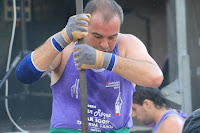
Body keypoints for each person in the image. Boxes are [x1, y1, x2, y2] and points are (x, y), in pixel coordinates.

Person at [15, 0, 163, 132]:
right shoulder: (66, 44)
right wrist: (63, 36)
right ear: (84, 28)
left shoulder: (128, 44)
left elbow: (155, 78)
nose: (105, 44)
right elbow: (24, 75)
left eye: (112, 37)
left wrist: (101, 59)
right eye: (97, 36)